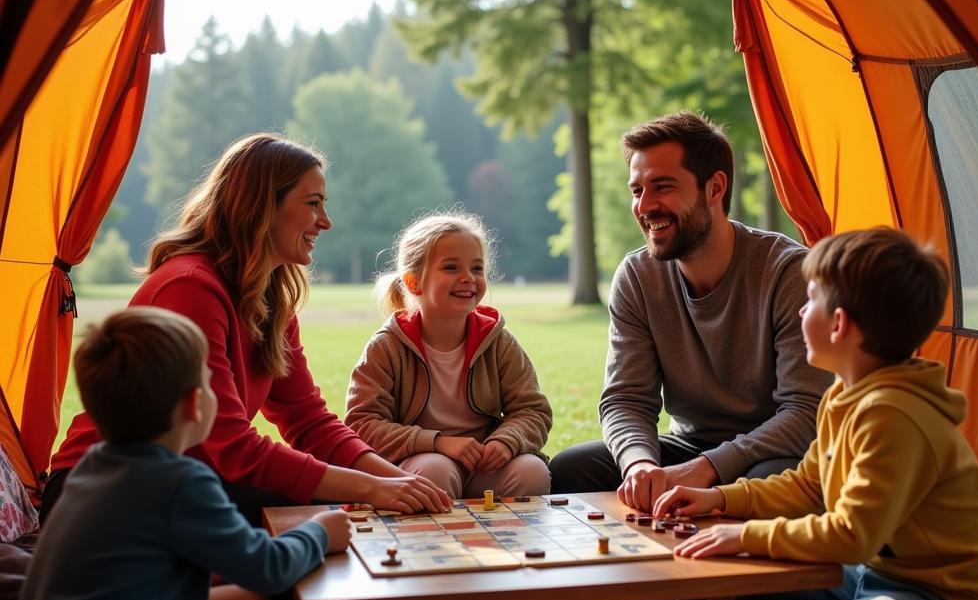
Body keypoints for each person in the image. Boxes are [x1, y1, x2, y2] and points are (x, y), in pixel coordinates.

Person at [9, 307, 369, 600]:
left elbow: (250, 586)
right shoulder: (182, 482)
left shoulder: (95, 465)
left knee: (244, 598)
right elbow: (267, 567)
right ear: (193, 406)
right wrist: (321, 530)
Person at [656, 228, 978, 600]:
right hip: (874, 574)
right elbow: (807, 488)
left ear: (839, 324)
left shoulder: (893, 416)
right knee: (714, 587)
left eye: (811, 300)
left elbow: (850, 534)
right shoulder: (845, 394)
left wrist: (745, 534)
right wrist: (719, 498)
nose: (801, 310)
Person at [43, 134, 450, 526]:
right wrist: (370, 489)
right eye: (313, 204)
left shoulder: (269, 295)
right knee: (318, 524)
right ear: (261, 207)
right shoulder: (189, 287)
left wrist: (395, 481)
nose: (325, 221)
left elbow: (308, 420)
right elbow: (232, 448)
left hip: (192, 483)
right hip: (108, 490)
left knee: (333, 520)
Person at [549, 111, 831, 502]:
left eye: (662, 187)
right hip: (689, 449)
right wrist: (639, 465)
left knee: (769, 481)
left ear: (714, 189)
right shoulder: (637, 276)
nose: (645, 206)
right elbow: (626, 399)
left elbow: (806, 412)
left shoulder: (788, 272)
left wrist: (709, 468)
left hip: (773, 452)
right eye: (636, 190)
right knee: (569, 468)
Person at [345, 212, 552, 499]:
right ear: (414, 282)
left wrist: (506, 442)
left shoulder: (499, 342)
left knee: (531, 471)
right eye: (451, 268)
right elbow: (362, 423)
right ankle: (439, 545)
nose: (468, 278)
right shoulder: (387, 346)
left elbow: (532, 410)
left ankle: (507, 544)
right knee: (436, 471)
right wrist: (438, 442)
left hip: (485, 464)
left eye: (477, 269)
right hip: (421, 462)